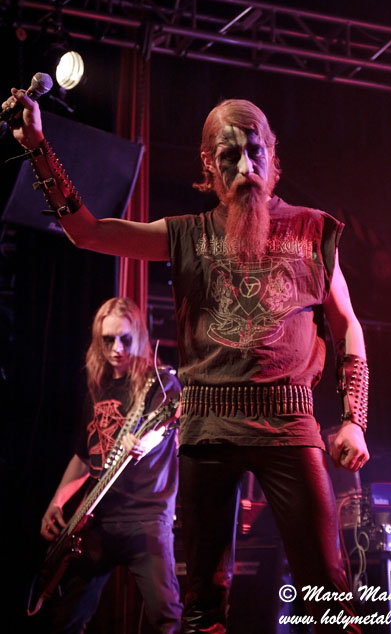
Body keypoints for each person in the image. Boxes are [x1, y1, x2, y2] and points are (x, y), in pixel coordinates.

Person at [4, 90, 370, 633]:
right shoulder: (187, 235)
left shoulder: (313, 231)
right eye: (229, 156)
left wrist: (354, 419)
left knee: (331, 595)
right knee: (201, 606)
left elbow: (348, 326)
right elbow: (87, 232)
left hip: (289, 423)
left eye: (255, 151)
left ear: (272, 153)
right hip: (207, 426)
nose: (245, 167)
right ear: (208, 166)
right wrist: (37, 145)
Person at [36, 297, 182, 634]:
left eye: (125, 339)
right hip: (98, 520)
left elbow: (165, 426)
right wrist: (56, 502)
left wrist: (145, 443)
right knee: (66, 617)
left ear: (139, 337)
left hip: (147, 518)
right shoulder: (96, 387)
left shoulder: (160, 383)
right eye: (108, 340)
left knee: (166, 617)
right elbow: (84, 457)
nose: (117, 348)